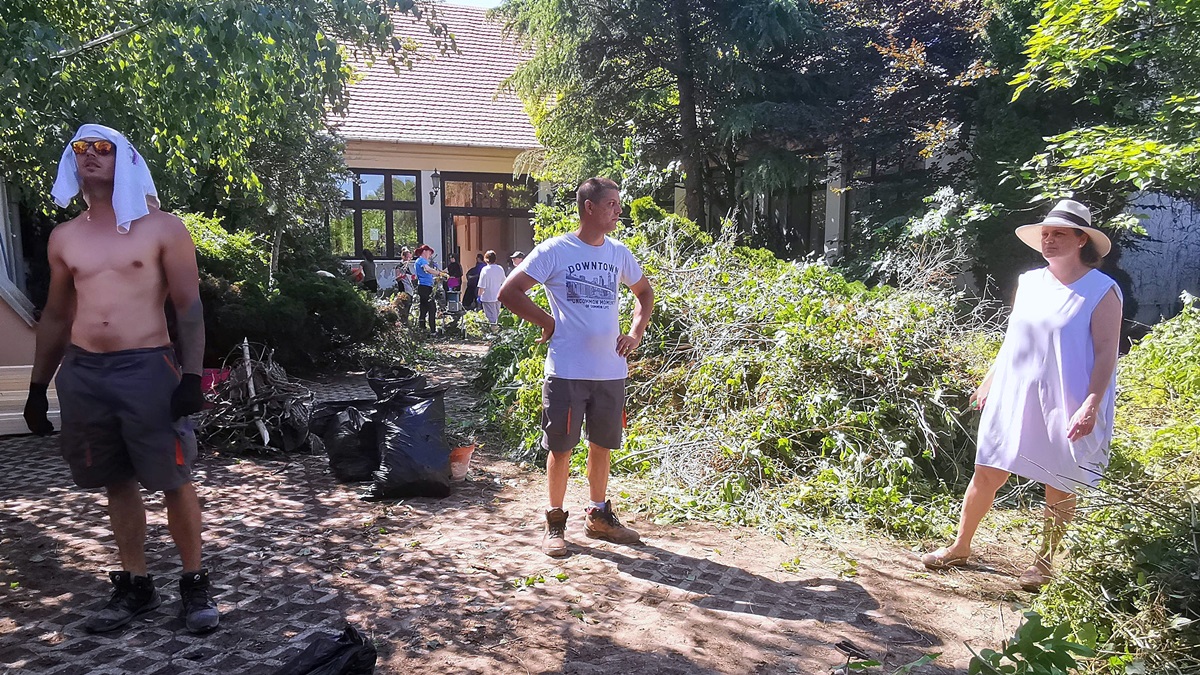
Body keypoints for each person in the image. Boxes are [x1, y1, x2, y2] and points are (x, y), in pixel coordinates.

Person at [23, 124, 219, 634]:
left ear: (125, 160)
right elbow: (56, 316)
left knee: (173, 479)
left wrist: (193, 376)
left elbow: (189, 305)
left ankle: (194, 581)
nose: (89, 156)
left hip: (148, 369)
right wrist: (38, 388)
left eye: (102, 148)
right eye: (80, 149)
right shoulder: (65, 237)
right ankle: (135, 584)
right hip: (85, 373)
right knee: (116, 480)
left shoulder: (163, 229)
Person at [921, 199, 1123, 591]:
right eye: (1045, 234)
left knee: (1060, 478)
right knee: (988, 468)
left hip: (1068, 396)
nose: (1048, 240)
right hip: (1017, 391)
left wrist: (1091, 402)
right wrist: (991, 377)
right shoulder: (1029, 281)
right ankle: (960, 546)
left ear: (1082, 239)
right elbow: (1014, 337)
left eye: (1059, 234)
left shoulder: (1102, 290)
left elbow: (1105, 352)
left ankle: (1043, 564)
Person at [499, 177, 654, 557]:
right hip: (567, 370)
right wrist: (547, 322)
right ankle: (554, 524)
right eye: (612, 205)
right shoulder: (555, 250)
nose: (619, 211)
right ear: (590, 207)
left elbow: (644, 294)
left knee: (602, 446)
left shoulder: (618, 252)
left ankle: (599, 516)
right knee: (561, 448)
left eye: (619, 205)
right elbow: (509, 292)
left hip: (610, 371)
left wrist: (635, 333)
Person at [413, 244, 446, 334]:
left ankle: (422, 329)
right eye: (429, 253)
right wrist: (439, 273)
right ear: (424, 251)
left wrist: (437, 276)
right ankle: (432, 331)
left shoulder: (419, 261)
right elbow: (427, 269)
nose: (430, 255)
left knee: (423, 308)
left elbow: (427, 274)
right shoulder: (422, 261)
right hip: (425, 287)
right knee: (432, 308)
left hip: (425, 287)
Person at [476, 250, 507, 330]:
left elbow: (482, 286)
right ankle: (499, 332)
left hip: (487, 297)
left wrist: (479, 296)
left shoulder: (485, 270)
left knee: (490, 317)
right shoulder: (500, 268)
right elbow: (504, 282)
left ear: (486, 259)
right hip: (498, 296)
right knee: (497, 315)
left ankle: (493, 333)